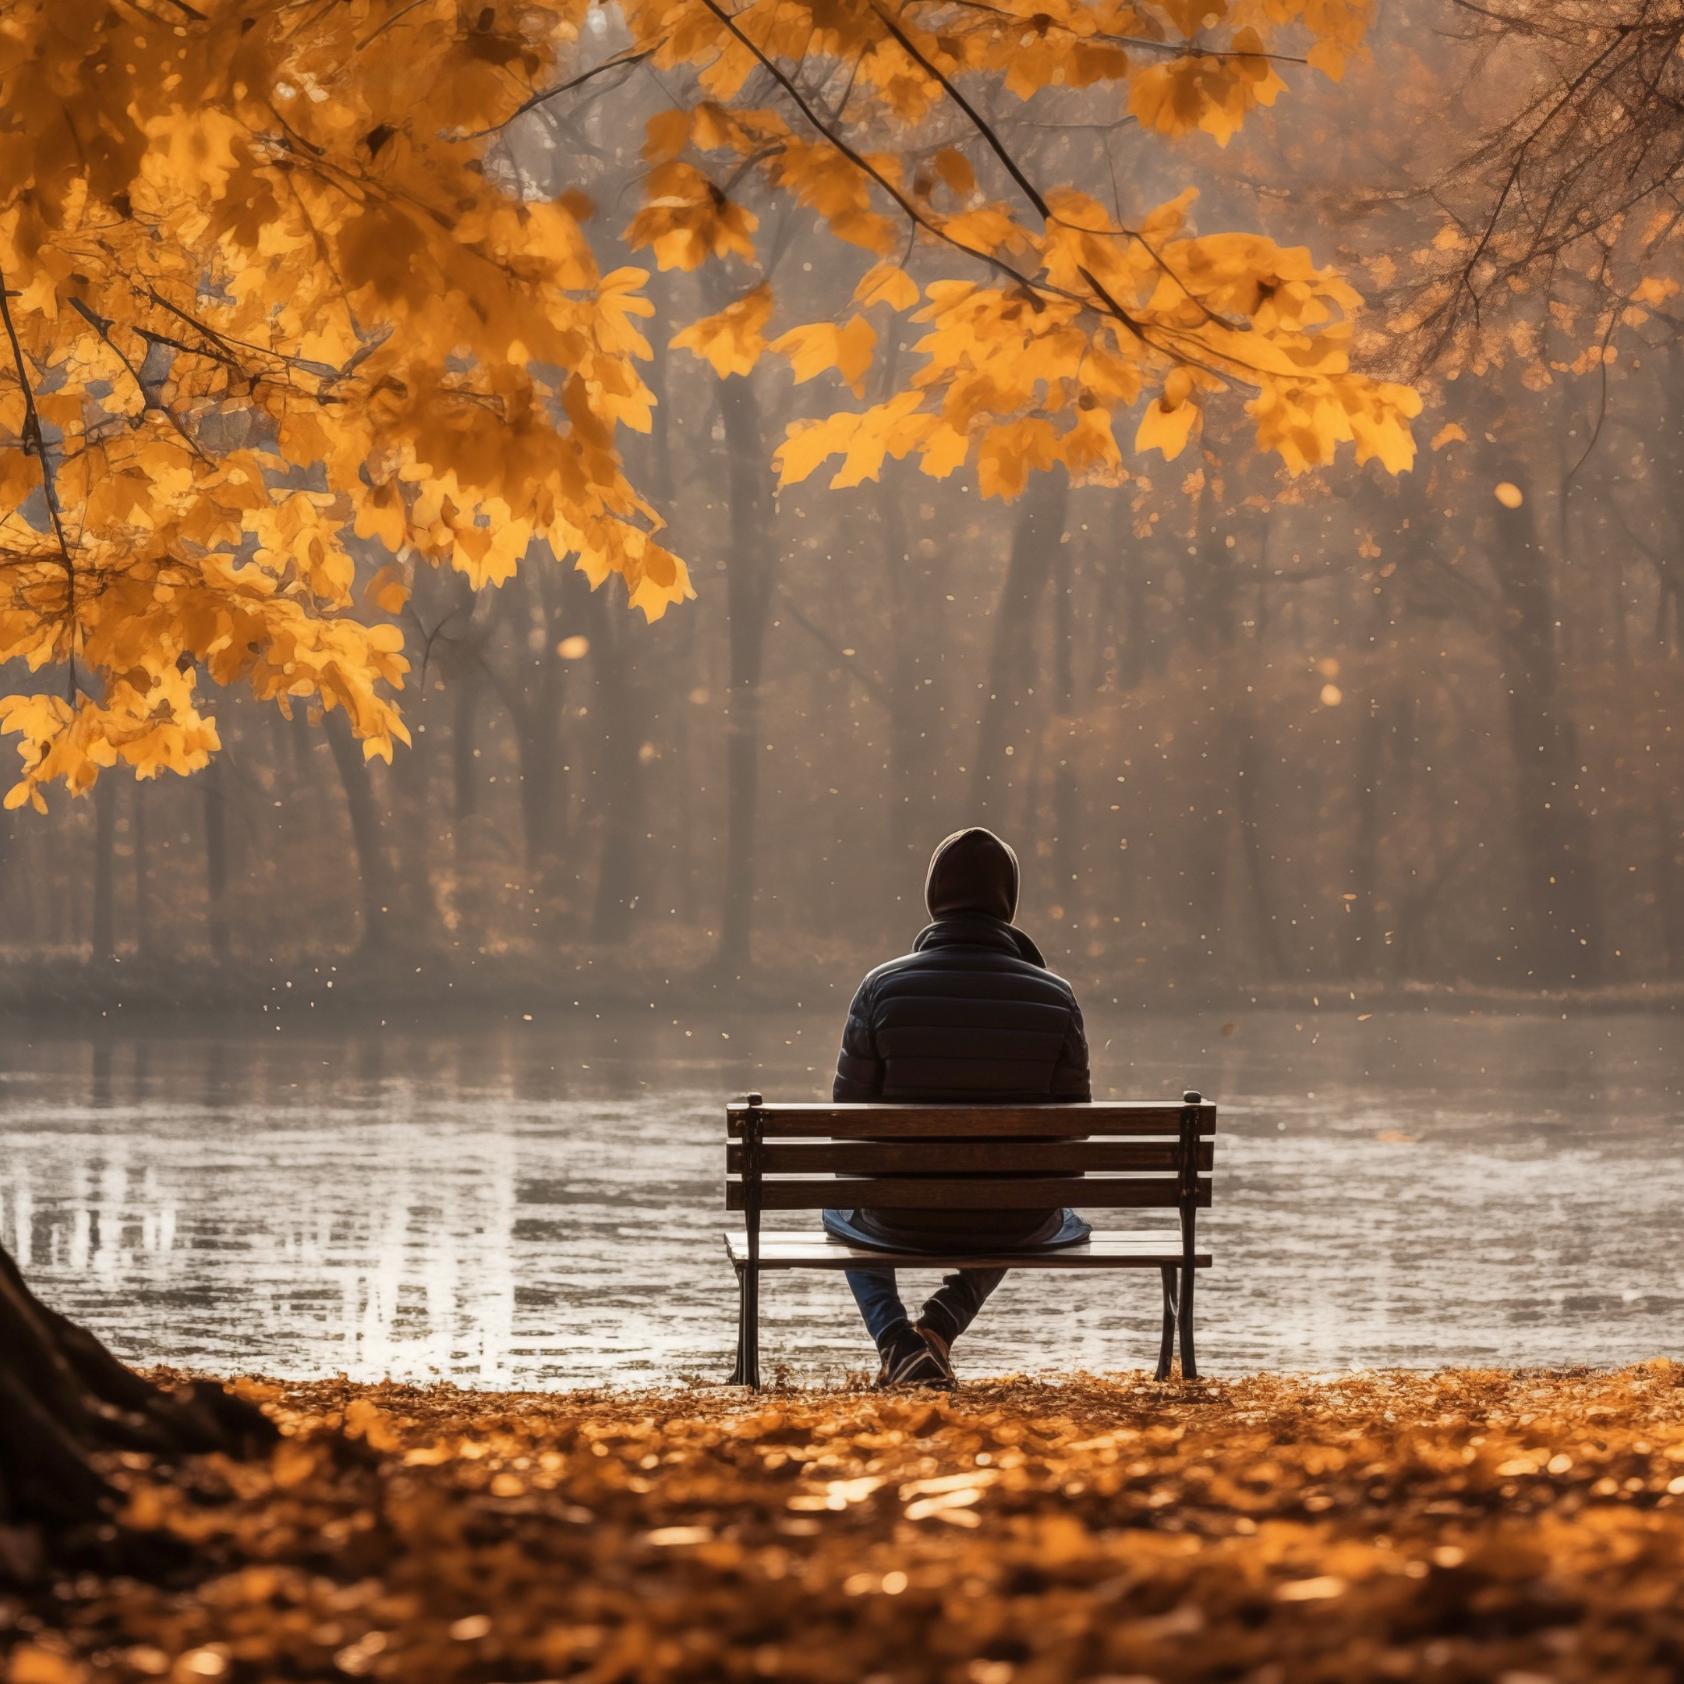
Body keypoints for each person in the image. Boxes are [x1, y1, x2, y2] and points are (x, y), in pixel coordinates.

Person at [825, 825, 1091, 1389]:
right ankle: (940, 1326)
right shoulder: (1056, 996)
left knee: (839, 1202)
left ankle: (898, 1342)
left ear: (933, 899)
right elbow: (1072, 1135)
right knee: (1031, 1195)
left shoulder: (881, 987)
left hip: (900, 1216)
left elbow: (848, 1125)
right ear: (1008, 904)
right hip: (1011, 1216)